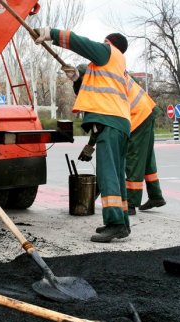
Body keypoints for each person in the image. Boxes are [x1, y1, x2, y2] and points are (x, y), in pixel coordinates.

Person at [33, 28, 131, 243]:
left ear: (109, 42)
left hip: (109, 121)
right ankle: (121, 222)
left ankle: (114, 223)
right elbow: (91, 92)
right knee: (116, 175)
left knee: (107, 175)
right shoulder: (116, 66)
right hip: (119, 123)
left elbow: (80, 42)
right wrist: (77, 78)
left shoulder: (108, 52)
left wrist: (51, 33)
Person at [124, 76, 167, 214]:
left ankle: (131, 203)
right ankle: (155, 196)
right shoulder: (115, 70)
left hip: (139, 115)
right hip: (147, 110)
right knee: (146, 158)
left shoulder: (101, 79)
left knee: (134, 158)